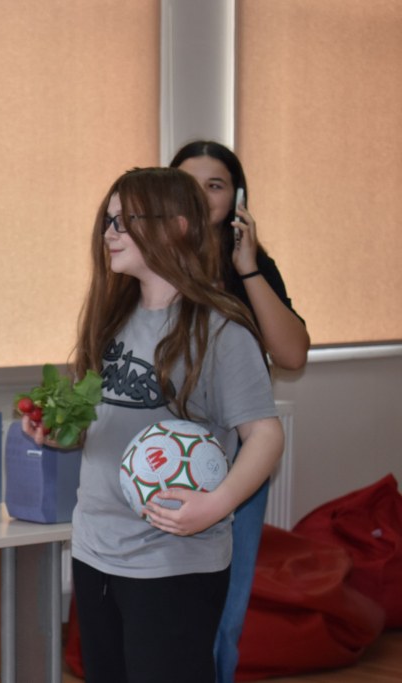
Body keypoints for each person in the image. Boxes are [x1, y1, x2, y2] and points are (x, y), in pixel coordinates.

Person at [25, 167, 284, 682]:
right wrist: (62, 432)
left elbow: (265, 435)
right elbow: (100, 421)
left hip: (174, 560)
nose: (109, 233)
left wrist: (216, 504)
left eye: (125, 221)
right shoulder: (109, 318)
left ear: (176, 227)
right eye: (108, 221)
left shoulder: (221, 331)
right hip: (96, 550)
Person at [172, 140, 309, 683]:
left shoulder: (251, 266)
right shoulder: (148, 260)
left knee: (224, 619)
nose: (202, 195)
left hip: (236, 462)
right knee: (165, 615)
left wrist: (248, 268)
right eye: (190, 183)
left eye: (216, 185)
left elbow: (292, 355)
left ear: (237, 198)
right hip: (160, 458)